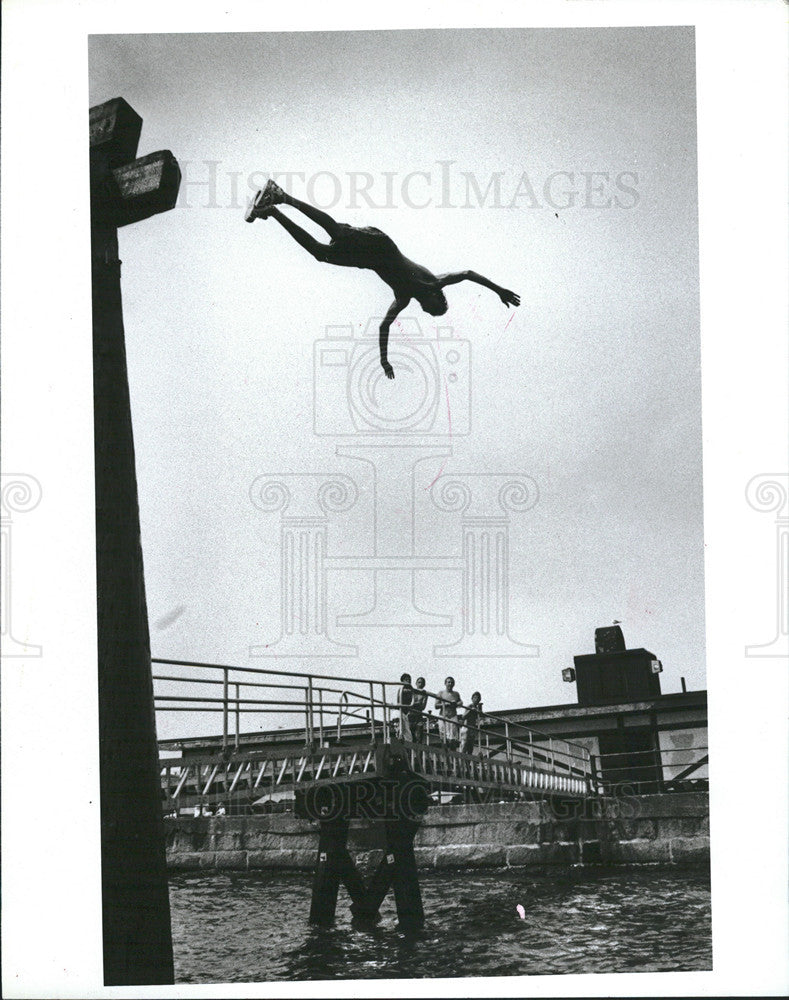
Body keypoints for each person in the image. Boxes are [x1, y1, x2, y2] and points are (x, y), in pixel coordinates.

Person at [246, 179, 520, 378]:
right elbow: (467, 274)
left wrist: (384, 360)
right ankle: (280, 196)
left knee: (320, 254)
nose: (426, 309)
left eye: (429, 312)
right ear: (436, 298)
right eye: (432, 308)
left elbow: (384, 327)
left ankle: (271, 211)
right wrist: (499, 290)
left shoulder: (403, 298)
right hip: (380, 246)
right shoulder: (433, 283)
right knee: (337, 231)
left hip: (368, 261)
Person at [435, 676, 462, 750]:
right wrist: (446, 704)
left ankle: (453, 756)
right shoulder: (441, 693)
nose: (450, 684)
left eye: (452, 682)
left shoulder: (456, 694)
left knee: (453, 739)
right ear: (445, 683)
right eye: (448, 682)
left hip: (453, 716)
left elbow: (460, 702)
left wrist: (457, 703)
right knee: (443, 737)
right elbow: (436, 705)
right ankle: (445, 756)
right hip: (443, 716)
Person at [459, 691, 484, 756]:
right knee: (464, 745)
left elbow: (481, 715)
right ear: (472, 699)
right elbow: (463, 716)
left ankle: (467, 763)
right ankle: (462, 760)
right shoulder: (470, 706)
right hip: (466, 727)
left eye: (478, 698)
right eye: (475, 698)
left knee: (470, 747)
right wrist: (471, 710)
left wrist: (480, 709)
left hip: (472, 728)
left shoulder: (477, 707)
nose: (476, 699)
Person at [408, 676, 429, 743]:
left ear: (424, 684)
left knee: (419, 737)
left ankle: (418, 753)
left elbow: (423, 707)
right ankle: (410, 753)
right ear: (416, 683)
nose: (420, 684)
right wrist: (417, 703)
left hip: (419, 716)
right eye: (419, 682)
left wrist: (414, 704)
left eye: (422, 683)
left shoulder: (424, 694)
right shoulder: (412, 691)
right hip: (410, 715)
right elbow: (409, 704)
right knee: (410, 736)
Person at [398, 672, 414, 742]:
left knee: (407, 730)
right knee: (403, 728)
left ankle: (405, 740)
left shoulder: (410, 689)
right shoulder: (402, 689)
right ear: (402, 681)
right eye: (406, 680)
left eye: (409, 680)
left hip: (406, 712)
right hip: (402, 711)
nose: (408, 681)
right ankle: (400, 736)